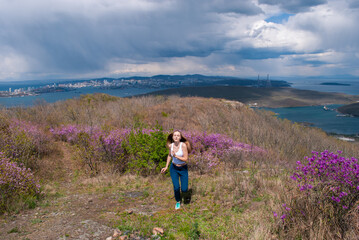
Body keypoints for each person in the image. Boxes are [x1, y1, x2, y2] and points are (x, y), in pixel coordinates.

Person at [161, 130, 192, 210]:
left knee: (184, 189)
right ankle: (178, 201)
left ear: (180, 137)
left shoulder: (183, 145)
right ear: (172, 137)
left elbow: (185, 159)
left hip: (183, 168)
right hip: (174, 168)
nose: (176, 137)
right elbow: (169, 156)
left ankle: (185, 195)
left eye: (178, 135)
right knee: (176, 187)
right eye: (174, 135)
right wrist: (166, 166)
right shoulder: (171, 146)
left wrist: (176, 156)